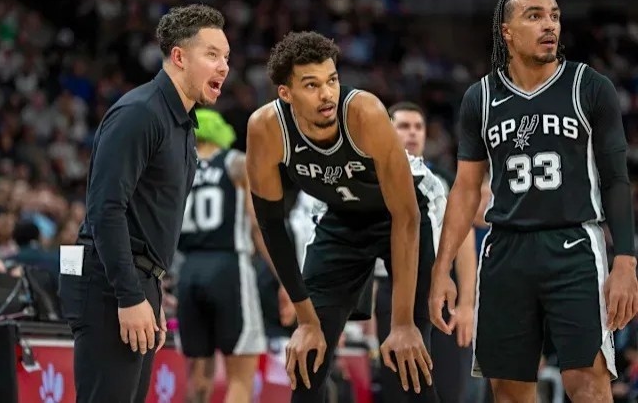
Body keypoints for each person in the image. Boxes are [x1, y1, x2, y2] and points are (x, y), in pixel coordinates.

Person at [429, 0, 638, 402]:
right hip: (505, 250)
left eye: (555, 16)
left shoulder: (588, 86)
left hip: (574, 246)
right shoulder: (480, 98)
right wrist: (441, 269)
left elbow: (616, 179)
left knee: (589, 385)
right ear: (506, 31)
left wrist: (626, 261)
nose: (550, 25)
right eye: (535, 16)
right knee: (508, 392)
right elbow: (466, 189)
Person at [246, 31, 443, 403]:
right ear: (285, 93)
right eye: (311, 85)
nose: (327, 94)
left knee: (410, 361)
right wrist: (306, 319)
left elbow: (406, 215)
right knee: (307, 362)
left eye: (332, 80)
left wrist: (402, 323)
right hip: (341, 222)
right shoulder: (266, 128)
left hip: (396, 220)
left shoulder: (365, 113)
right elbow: (271, 224)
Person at [58, 5, 230, 403]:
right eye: (212, 55)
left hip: (139, 281)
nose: (224, 66)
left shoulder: (183, 125)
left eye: (226, 57)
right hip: (109, 281)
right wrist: (130, 295)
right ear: (179, 56)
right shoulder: (140, 112)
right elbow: (106, 209)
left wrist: (150, 292)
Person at [371, 101, 475, 403]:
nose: (413, 133)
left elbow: (464, 242)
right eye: (404, 126)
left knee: (447, 389)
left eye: (419, 127)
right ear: (388, 130)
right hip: (391, 291)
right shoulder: (372, 178)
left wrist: (467, 304)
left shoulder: (443, 179)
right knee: (399, 391)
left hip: (440, 291)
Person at [176, 108, 267, 403]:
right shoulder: (236, 162)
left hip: (188, 271)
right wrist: (285, 279)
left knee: (198, 380)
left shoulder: (180, 169)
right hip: (229, 267)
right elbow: (257, 225)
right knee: (240, 378)